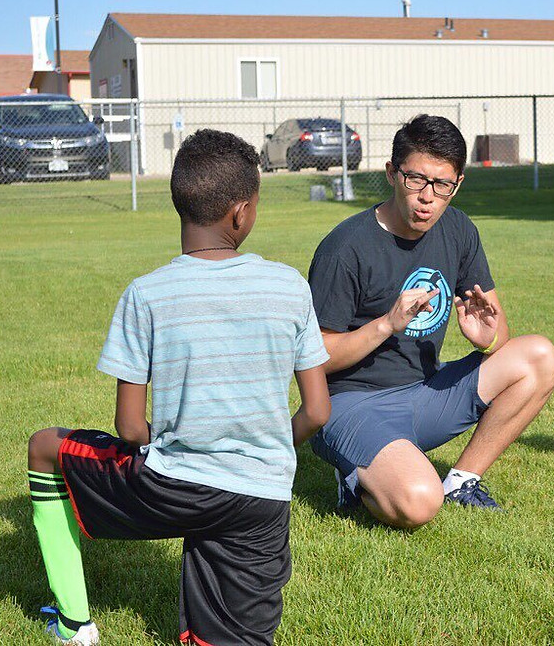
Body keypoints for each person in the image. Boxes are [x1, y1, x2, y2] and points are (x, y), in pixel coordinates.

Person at [26, 129, 331, 645]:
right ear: (242, 212)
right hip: (263, 497)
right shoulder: (289, 286)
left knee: (44, 446)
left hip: (172, 486)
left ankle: (75, 624)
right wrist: (263, 446)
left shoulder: (145, 294)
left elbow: (129, 427)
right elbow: (317, 411)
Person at [308, 114, 554, 528]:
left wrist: (487, 338)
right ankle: (357, 478)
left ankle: (461, 481)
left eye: (442, 185)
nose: (428, 197)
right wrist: (385, 324)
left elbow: (501, 338)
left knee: (540, 356)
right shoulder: (345, 248)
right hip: (350, 405)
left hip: (425, 392)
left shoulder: (458, 229)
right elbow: (312, 361)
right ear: (392, 174)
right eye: (416, 180)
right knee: (418, 503)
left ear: (457, 184)